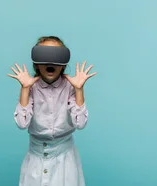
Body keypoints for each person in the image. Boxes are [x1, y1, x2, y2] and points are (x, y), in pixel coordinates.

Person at [7, 36, 97, 186]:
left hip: (65, 158)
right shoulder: (31, 87)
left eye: (56, 57)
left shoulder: (70, 87)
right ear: (36, 65)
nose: (50, 62)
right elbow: (22, 124)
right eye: (44, 57)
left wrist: (79, 90)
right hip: (36, 157)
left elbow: (80, 124)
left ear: (62, 65)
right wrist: (25, 89)